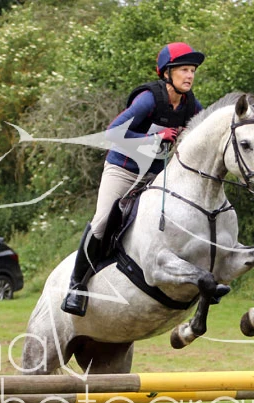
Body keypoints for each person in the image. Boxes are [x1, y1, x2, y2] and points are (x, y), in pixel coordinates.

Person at [61, 42, 206, 316]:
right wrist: (155, 137)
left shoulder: (190, 104)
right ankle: (76, 287)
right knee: (102, 221)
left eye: (192, 70)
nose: (190, 75)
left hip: (155, 175)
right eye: (184, 70)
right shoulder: (149, 99)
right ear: (167, 73)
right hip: (123, 170)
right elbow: (113, 133)